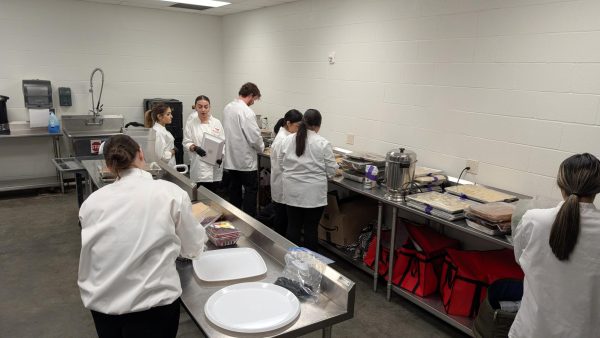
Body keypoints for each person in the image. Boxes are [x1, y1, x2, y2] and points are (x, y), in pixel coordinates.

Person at [78, 134, 207, 338]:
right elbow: (193, 247)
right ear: (141, 153)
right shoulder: (171, 193)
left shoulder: (91, 203)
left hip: (104, 306)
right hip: (154, 306)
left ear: (110, 166)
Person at [509, 153, 600, 338]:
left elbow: (519, 258)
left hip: (532, 330)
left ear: (561, 184)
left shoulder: (534, 219)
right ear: (597, 190)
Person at [279, 109, 338, 251]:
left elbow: (281, 163)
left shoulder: (288, 139)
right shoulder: (322, 143)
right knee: (311, 230)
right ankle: (309, 267)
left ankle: (290, 260)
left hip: (292, 191)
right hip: (313, 195)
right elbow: (331, 171)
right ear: (318, 126)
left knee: (293, 226)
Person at [222, 82, 264, 217]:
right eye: (255, 99)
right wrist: (261, 147)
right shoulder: (247, 111)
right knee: (250, 191)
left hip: (231, 160)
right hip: (245, 163)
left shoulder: (228, 108)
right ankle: (249, 222)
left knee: (234, 191)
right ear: (251, 95)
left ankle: (234, 219)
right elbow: (254, 138)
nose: (253, 102)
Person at [269, 109, 303, 235]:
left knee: (283, 218)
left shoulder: (287, 136)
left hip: (284, 184)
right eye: (297, 126)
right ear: (288, 123)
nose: (299, 129)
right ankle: (279, 248)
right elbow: (284, 165)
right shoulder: (282, 140)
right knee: (282, 220)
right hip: (282, 185)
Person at [183, 95, 225, 193]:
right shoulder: (191, 123)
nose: (203, 110)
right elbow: (186, 141)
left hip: (214, 166)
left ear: (209, 107)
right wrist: (195, 148)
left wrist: (220, 156)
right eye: (200, 106)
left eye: (206, 107)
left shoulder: (216, 122)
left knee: (214, 196)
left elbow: (223, 141)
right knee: (200, 196)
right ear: (196, 107)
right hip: (199, 166)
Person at [144, 103, 177, 167]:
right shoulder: (158, 132)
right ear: (159, 116)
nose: (171, 116)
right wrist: (172, 151)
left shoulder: (161, 130)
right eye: (168, 114)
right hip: (165, 168)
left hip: (169, 166)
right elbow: (161, 157)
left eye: (170, 113)